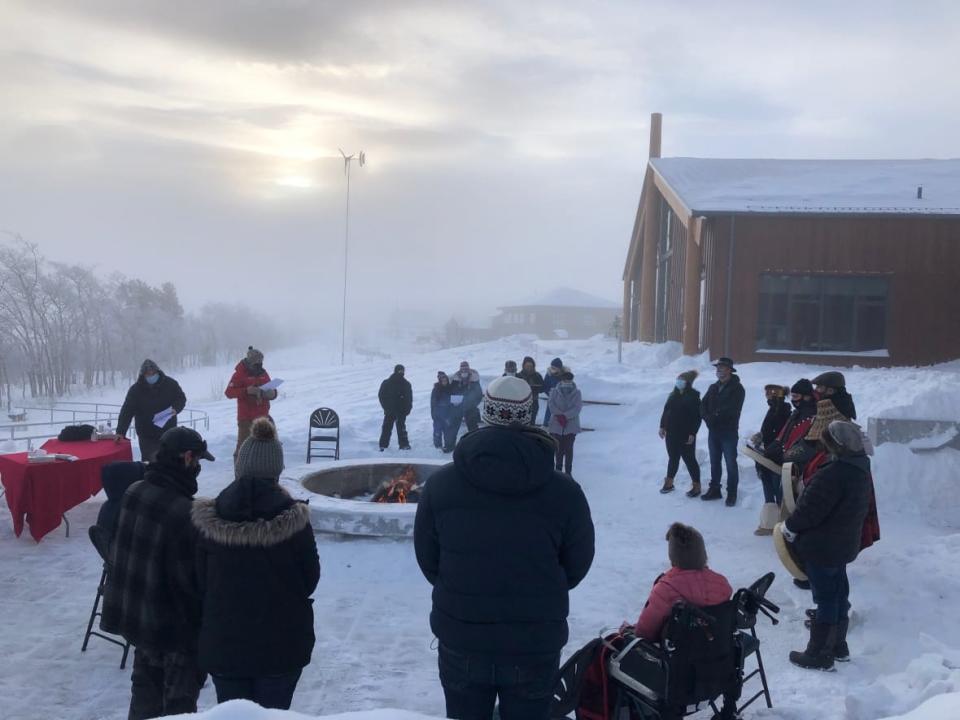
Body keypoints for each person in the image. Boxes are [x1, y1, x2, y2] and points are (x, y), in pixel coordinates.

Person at [414, 376, 595, 720]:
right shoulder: (565, 491)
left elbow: (428, 560)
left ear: (486, 413)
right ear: (529, 416)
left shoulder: (441, 485)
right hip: (534, 642)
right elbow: (577, 564)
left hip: (462, 636)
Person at [192, 418, 320, 709]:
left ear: (240, 467)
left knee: (233, 714)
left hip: (224, 646)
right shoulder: (295, 520)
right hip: (282, 648)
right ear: (277, 470)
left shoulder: (209, 519)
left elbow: (198, 580)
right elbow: (310, 578)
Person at [100, 427, 215, 720]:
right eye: (198, 460)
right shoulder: (185, 513)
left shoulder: (133, 491)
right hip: (174, 635)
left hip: (139, 623)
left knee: (143, 702)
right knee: (177, 710)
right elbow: (192, 586)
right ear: (188, 458)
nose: (198, 468)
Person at [782, 421, 871, 671]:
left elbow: (810, 510)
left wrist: (790, 527)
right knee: (839, 592)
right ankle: (838, 646)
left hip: (823, 546)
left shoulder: (833, 473)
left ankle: (819, 653)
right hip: (843, 544)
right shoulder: (861, 466)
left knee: (826, 599)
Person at [626, 523, 735, 720]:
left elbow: (644, 633)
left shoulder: (666, 588)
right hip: (718, 665)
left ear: (673, 556)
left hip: (679, 677)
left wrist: (626, 632)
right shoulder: (722, 584)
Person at [116, 359, 187, 462]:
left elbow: (181, 398)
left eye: (153, 373)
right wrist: (120, 431)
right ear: (143, 375)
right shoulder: (135, 390)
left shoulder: (170, 384)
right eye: (147, 374)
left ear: (157, 371)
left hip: (168, 432)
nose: (151, 375)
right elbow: (127, 411)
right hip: (147, 435)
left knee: (170, 462)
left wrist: (176, 409)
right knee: (150, 464)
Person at [700, 357, 745, 506]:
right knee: (714, 462)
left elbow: (732, 409)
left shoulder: (738, 389)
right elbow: (703, 405)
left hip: (729, 432)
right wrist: (707, 418)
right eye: (717, 367)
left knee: (730, 463)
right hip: (713, 431)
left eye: (722, 367)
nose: (718, 369)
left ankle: (732, 493)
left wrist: (714, 417)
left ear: (730, 370)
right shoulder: (713, 387)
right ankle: (715, 490)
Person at [224, 346, 278, 459]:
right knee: (242, 448)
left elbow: (271, 388)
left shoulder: (263, 373)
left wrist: (273, 394)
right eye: (256, 362)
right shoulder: (239, 374)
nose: (259, 364)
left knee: (268, 446)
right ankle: (239, 472)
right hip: (246, 418)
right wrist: (246, 391)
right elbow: (228, 392)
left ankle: (267, 469)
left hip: (263, 417)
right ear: (250, 361)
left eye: (261, 362)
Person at [658, 370, 702, 496]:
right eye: (678, 379)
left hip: (685, 434)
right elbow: (666, 411)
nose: (679, 382)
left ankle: (696, 486)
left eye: (681, 380)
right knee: (673, 458)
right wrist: (662, 426)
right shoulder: (673, 395)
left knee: (689, 459)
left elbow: (697, 418)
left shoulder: (694, 397)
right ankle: (669, 483)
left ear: (687, 382)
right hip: (671, 433)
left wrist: (692, 433)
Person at [750, 385, 791, 512]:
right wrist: (761, 436)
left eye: (769, 393)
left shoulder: (782, 410)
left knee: (776, 488)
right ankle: (770, 517)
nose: (766, 395)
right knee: (767, 482)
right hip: (767, 452)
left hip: (776, 455)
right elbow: (769, 430)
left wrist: (766, 439)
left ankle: (778, 518)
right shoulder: (773, 409)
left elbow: (780, 434)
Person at [547, 369, 583, 475]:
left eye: (569, 381)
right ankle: (558, 470)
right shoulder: (554, 391)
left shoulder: (577, 393)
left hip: (571, 425)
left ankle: (568, 471)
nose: (567, 383)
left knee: (568, 449)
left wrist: (565, 416)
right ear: (561, 381)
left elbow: (577, 408)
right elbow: (551, 405)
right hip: (556, 424)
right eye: (565, 380)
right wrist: (559, 415)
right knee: (558, 449)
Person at [445, 361, 482, 451]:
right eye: (462, 368)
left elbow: (479, 394)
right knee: (453, 427)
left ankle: (476, 445)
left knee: (473, 428)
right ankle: (450, 446)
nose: (464, 370)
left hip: (470, 407)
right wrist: (453, 401)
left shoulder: (474, 379)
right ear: (460, 369)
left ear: (468, 368)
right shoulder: (455, 379)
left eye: (466, 368)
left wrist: (473, 403)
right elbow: (452, 391)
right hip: (457, 407)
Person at [379, 364, 413, 451]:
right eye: (399, 371)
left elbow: (409, 398)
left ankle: (404, 444)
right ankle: (383, 445)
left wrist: (407, 409)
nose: (401, 373)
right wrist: (386, 407)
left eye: (402, 371)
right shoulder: (387, 382)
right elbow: (381, 395)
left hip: (401, 410)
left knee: (401, 428)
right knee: (386, 428)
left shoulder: (406, 384)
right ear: (395, 371)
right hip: (390, 410)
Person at [517, 357, 544, 424]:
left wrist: (535, 387)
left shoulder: (537, 376)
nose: (529, 368)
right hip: (521, 402)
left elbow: (542, 389)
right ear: (523, 366)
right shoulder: (518, 376)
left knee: (532, 421)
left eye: (530, 366)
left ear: (533, 366)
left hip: (533, 402)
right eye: (527, 366)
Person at [431, 371, 453, 450]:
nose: (444, 382)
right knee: (437, 431)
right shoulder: (436, 389)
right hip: (438, 414)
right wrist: (433, 414)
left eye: (445, 381)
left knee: (447, 431)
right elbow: (433, 403)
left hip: (447, 414)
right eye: (443, 381)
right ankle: (437, 446)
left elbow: (453, 401)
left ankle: (448, 445)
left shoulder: (450, 388)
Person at [541, 357, 564, 428]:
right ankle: (546, 426)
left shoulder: (564, 376)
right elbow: (545, 386)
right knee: (548, 414)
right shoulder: (549, 374)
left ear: (559, 368)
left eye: (555, 367)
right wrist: (550, 394)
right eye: (552, 367)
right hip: (552, 399)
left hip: (562, 401)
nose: (553, 369)